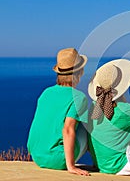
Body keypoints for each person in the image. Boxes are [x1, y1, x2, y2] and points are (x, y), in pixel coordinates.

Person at [27, 48, 90, 176]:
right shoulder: (78, 97)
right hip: (57, 159)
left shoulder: (46, 93)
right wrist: (71, 166)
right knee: (89, 125)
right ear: (79, 72)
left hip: (37, 156)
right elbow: (68, 130)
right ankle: (101, 162)